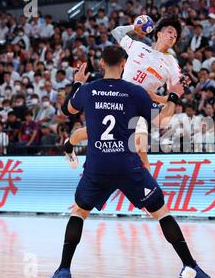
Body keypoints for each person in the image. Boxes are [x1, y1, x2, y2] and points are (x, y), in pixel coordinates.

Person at [48, 45, 210, 278]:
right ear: (124, 63)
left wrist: (78, 83)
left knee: (79, 213)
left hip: (98, 165)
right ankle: (192, 267)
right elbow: (162, 120)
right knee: (161, 213)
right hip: (128, 165)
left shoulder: (89, 90)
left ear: (101, 64)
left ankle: (63, 271)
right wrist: (174, 95)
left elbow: (66, 111)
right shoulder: (135, 92)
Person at [63, 15, 185, 171]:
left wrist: (156, 98)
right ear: (159, 33)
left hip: (138, 107)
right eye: (169, 32)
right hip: (116, 98)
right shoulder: (139, 46)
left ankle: (148, 190)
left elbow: (173, 97)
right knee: (91, 133)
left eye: (175, 36)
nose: (172, 37)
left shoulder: (172, 64)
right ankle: (68, 145)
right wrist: (134, 28)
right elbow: (117, 32)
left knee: (140, 150)